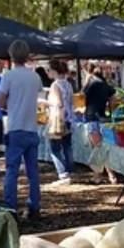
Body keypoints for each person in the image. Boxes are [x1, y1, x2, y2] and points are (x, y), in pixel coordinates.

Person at [0, 40, 43, 220]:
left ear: (11, 56)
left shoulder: (8, 76)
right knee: (33, 172)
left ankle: (11, 206)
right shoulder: (35, 77)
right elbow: (39, 95)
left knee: (12, 171)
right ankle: (34, 205)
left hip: (15, 128)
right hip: (31, 129)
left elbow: (0, 102)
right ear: (27, 56)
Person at [45, 59, 75, 187]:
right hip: (68, 118)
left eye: (48, 70)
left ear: (54, 71)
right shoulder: (68, 84)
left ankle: (63, 173)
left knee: (55, 149)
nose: (47, 73)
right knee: (67, 146)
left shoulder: (55, 85)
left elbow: (58, 103)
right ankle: (69, 170)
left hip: (58, 119)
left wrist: (43, 101)